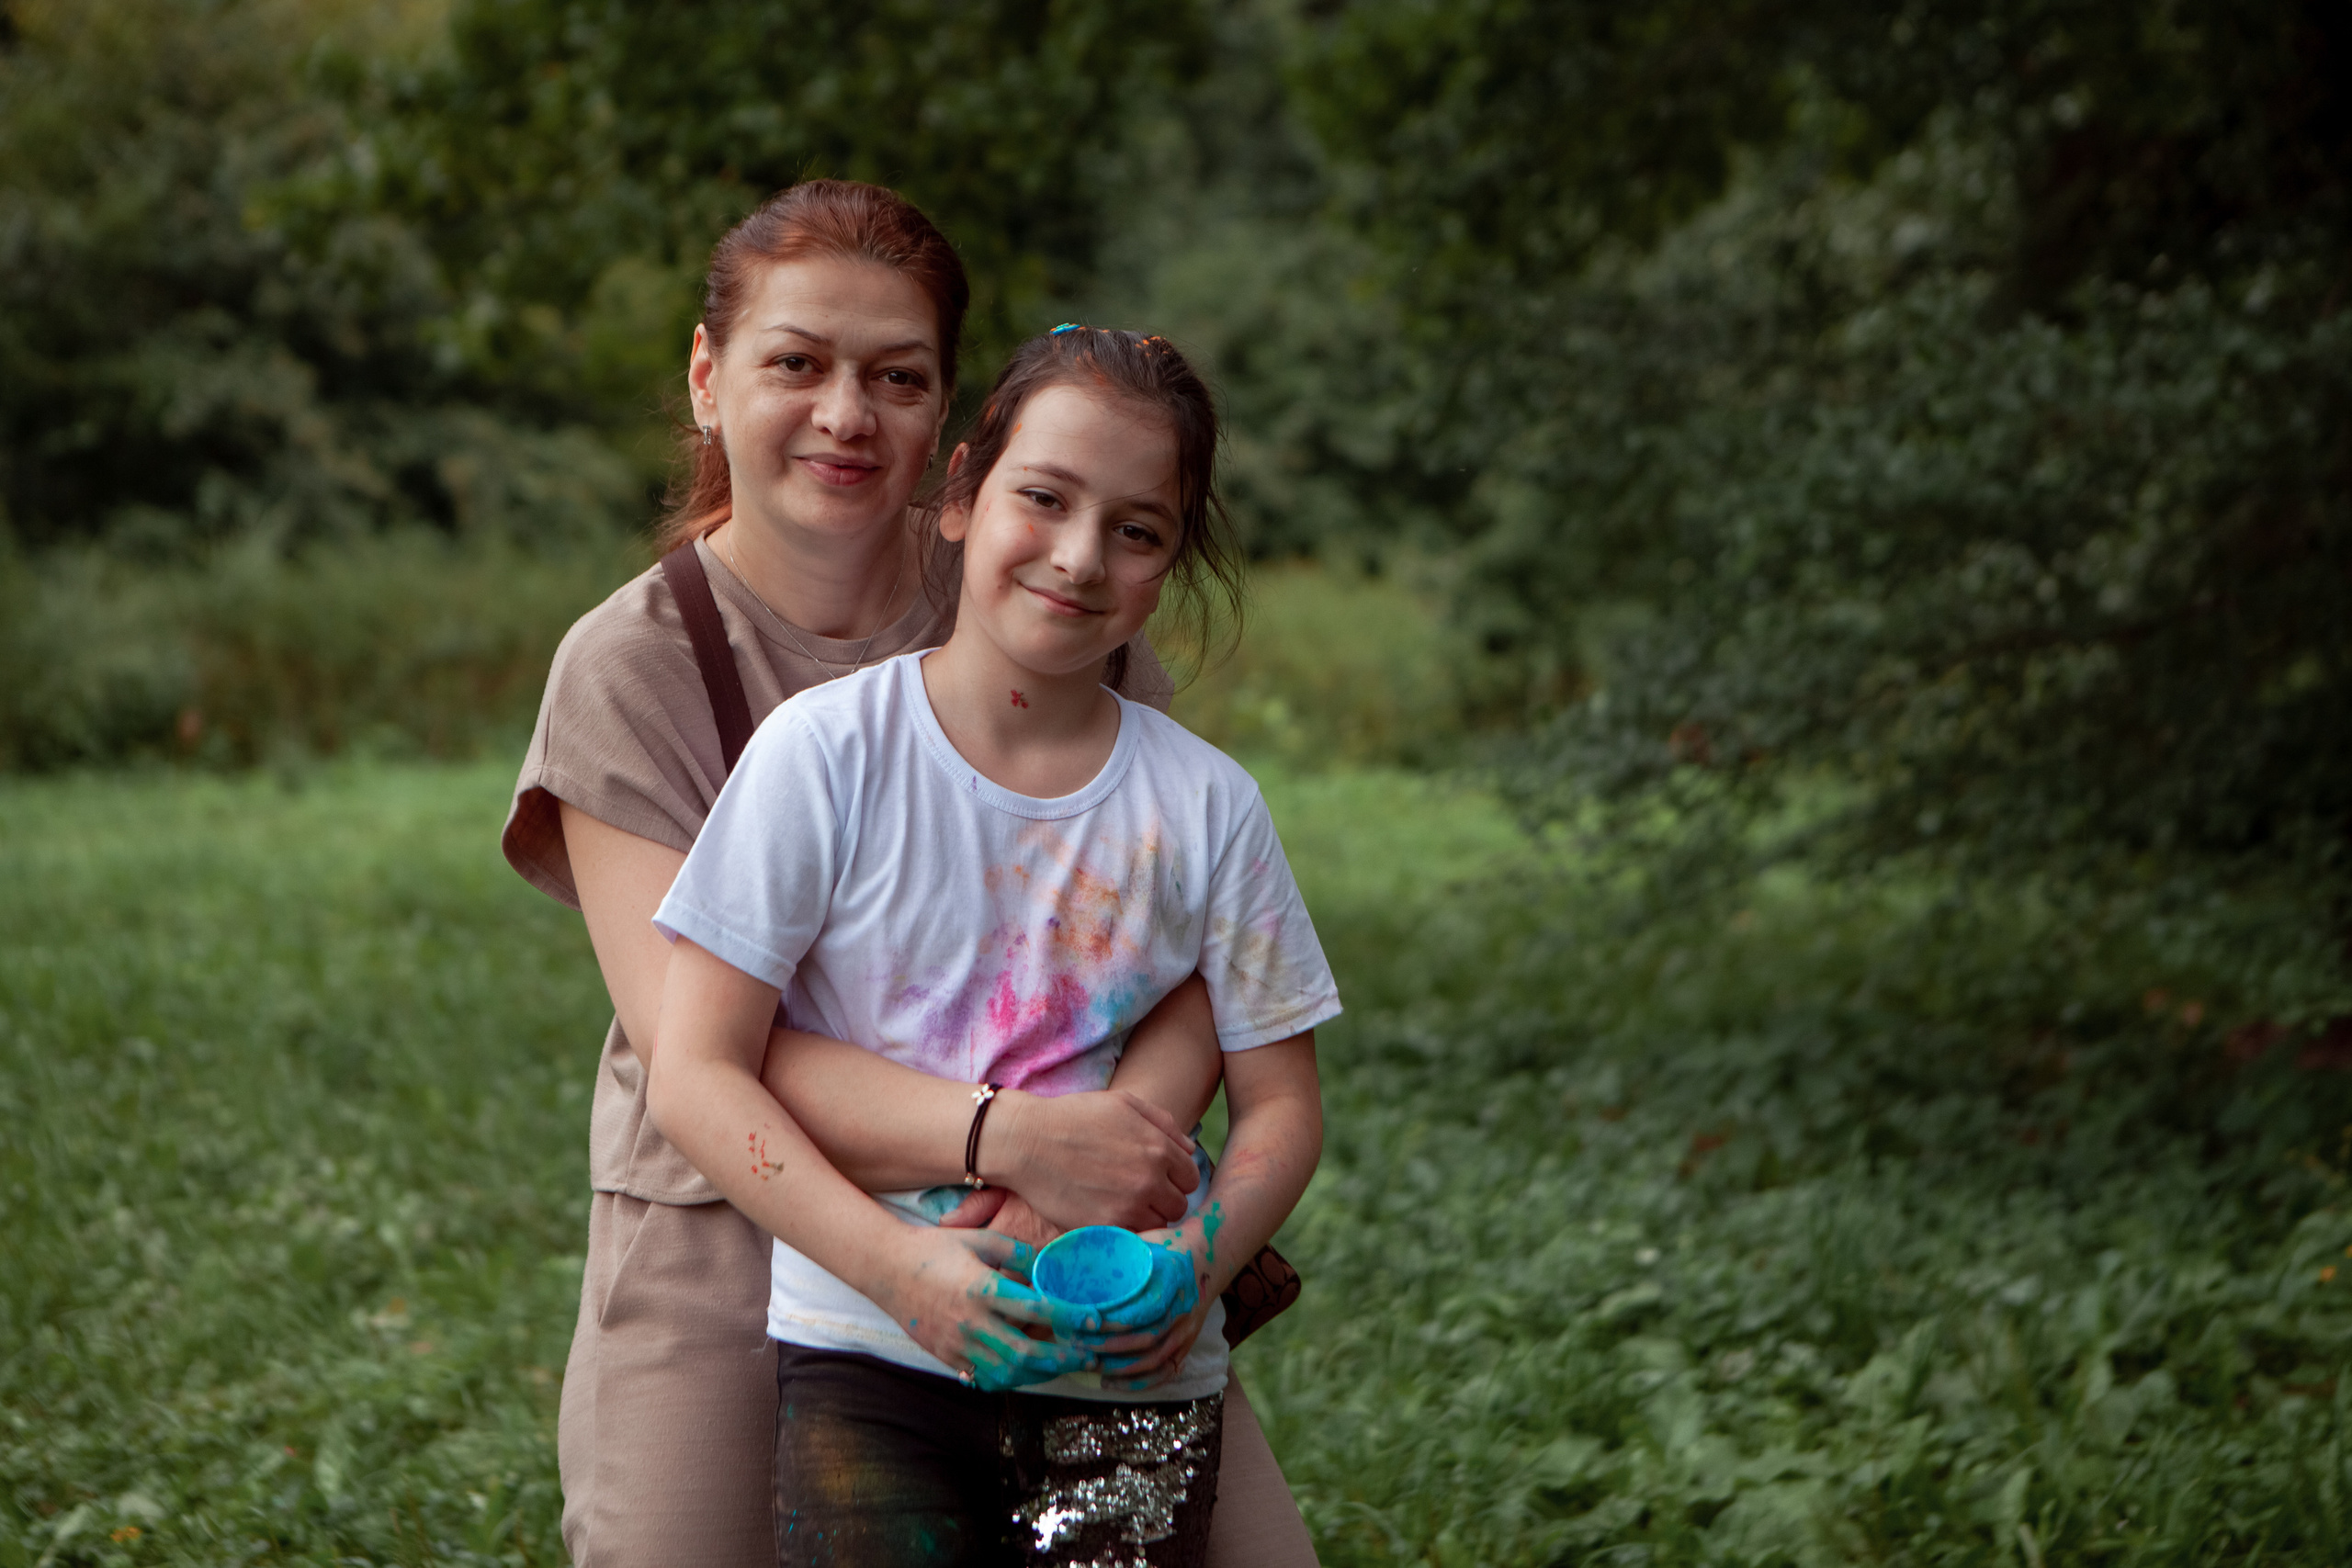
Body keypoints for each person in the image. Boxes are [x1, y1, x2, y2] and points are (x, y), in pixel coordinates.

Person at [501, 179, 1323, 1566]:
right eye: (796, 363)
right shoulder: (638, 665)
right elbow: (706, 1050)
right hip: (730, 1212)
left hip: (1053, 1224)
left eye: (896, 376)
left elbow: (1185, 945)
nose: (844, 413)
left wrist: (1104, 1152)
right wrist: (1010, 1135)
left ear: (947, 431)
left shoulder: (1049, 605)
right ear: (708, 379)